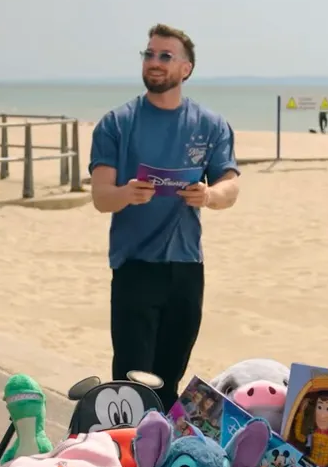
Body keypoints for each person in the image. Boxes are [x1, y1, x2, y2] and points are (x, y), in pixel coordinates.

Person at [89, 23, 241, 410]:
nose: (154, 62)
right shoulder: (117, 123)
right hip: (135, 266)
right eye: (149, 54)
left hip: (187, 268)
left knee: (170, 382)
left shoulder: (210, 124)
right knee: (131, 385)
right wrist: (126, 193)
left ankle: (161, 449)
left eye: (165, 56)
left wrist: (208, 195)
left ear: (186, 69)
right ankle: (128, 446)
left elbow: (230, 186)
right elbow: (100, 197)